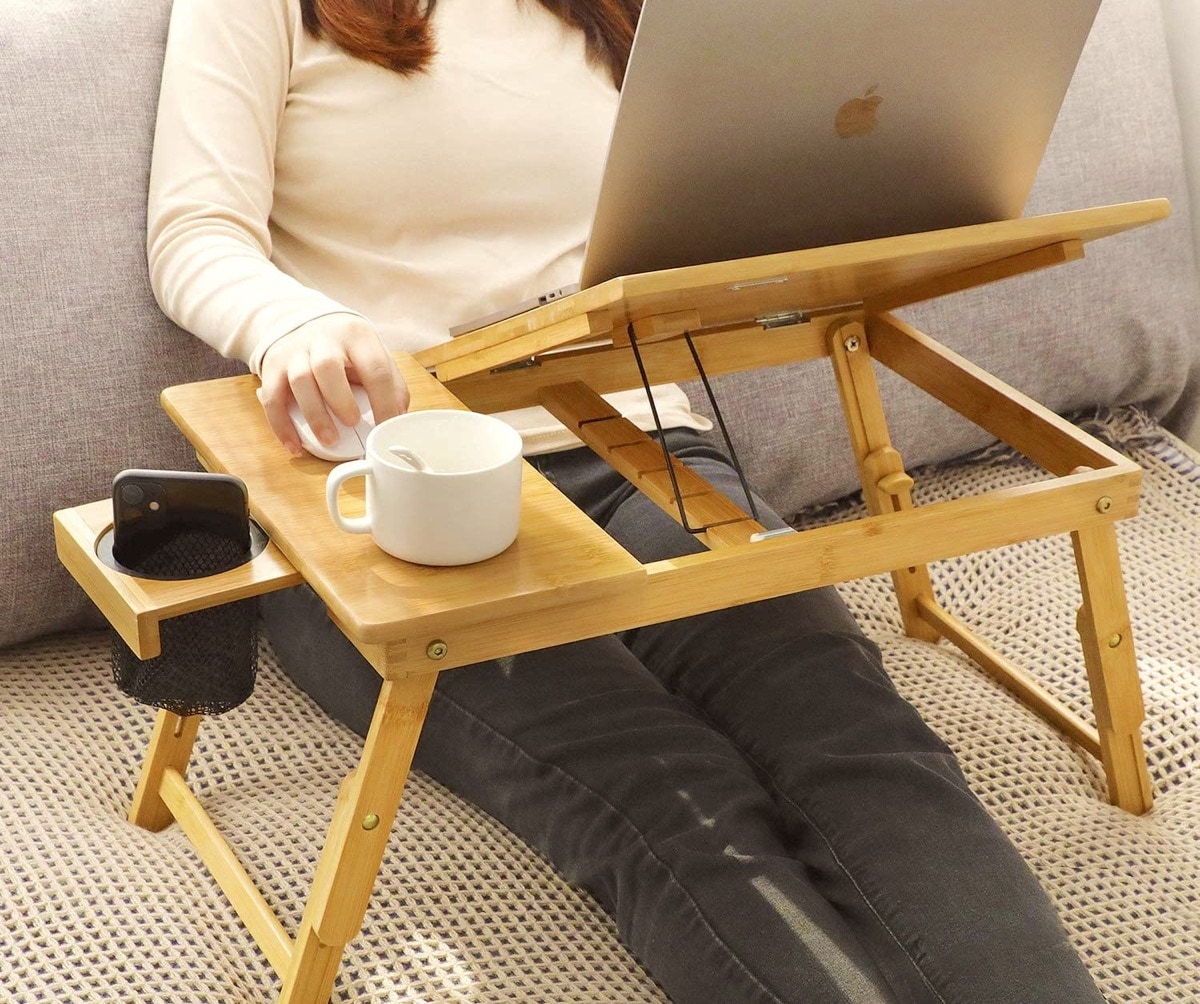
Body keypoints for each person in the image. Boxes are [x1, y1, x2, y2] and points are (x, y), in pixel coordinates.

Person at [147, 1, 1108, 1001]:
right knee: (665, 791)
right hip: (385, 490)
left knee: (853, 729)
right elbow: (194, 231)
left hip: (640, 441)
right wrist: (294, 323)